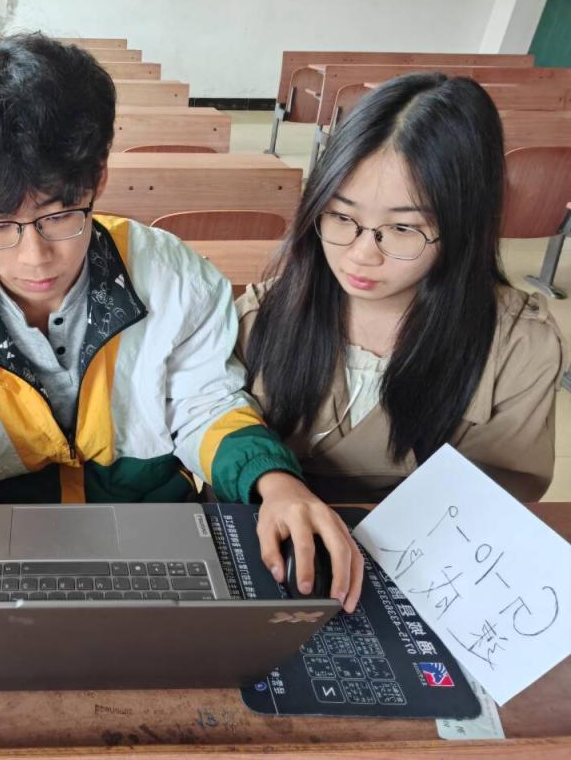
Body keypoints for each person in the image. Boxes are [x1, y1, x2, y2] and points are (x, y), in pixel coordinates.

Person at [0, 33, 363, 612]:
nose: (34, 258)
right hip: (8, 549)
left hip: (157, 539)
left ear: (97, 180)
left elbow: (206, 404)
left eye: (58, 216)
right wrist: (5, 582)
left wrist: (276, 482)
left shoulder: (172, 276)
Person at [237, 73, 567, 504]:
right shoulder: (260, 314)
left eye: (402, 228)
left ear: (463, 227)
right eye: (341, 217)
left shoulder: (517, 347)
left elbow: (499, 497)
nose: (361, 255)